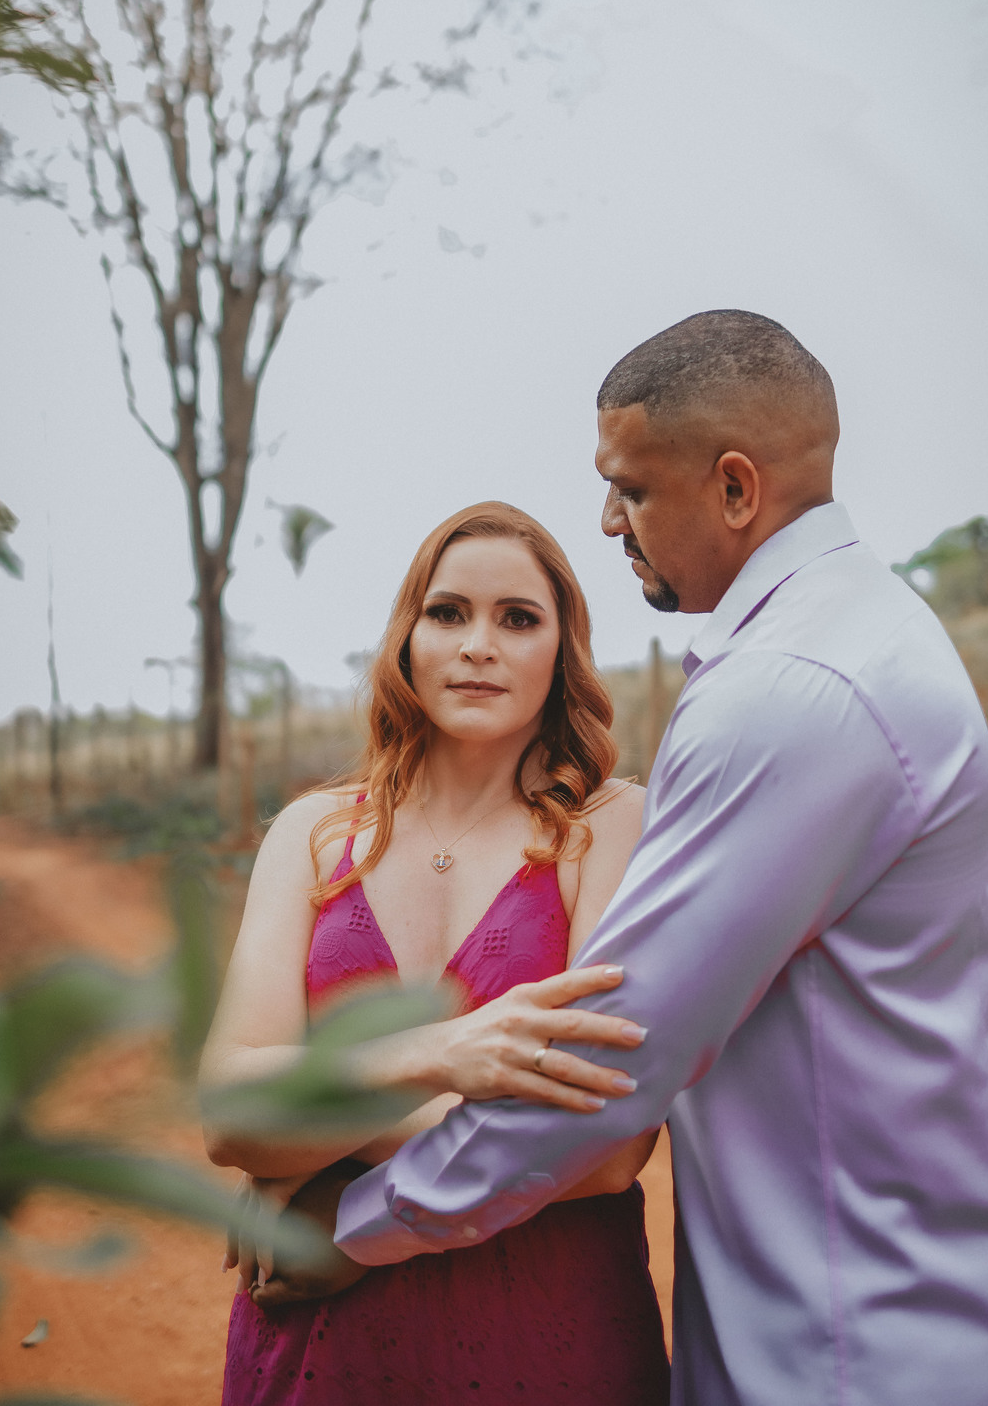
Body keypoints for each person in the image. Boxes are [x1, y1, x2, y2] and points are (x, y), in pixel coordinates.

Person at [332, 310, 988, 1405]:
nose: (607, 520)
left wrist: (351, 1228)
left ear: (733, 488)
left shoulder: (791, 693)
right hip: (914, 1303)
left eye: (628, 488)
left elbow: (611, 1057)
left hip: (855, 1346)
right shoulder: (863, 629)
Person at [200, 502, 672, 1403]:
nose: (478, 646)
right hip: (318, 1359)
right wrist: (443, 1054)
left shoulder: (609, 827)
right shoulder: (312, 835)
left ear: (562, 653)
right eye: (448, 612)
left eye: (518, 619)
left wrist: (320, 1158)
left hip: (546, 1339)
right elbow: (230, 1114)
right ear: (407, 640)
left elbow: (607, 1144)